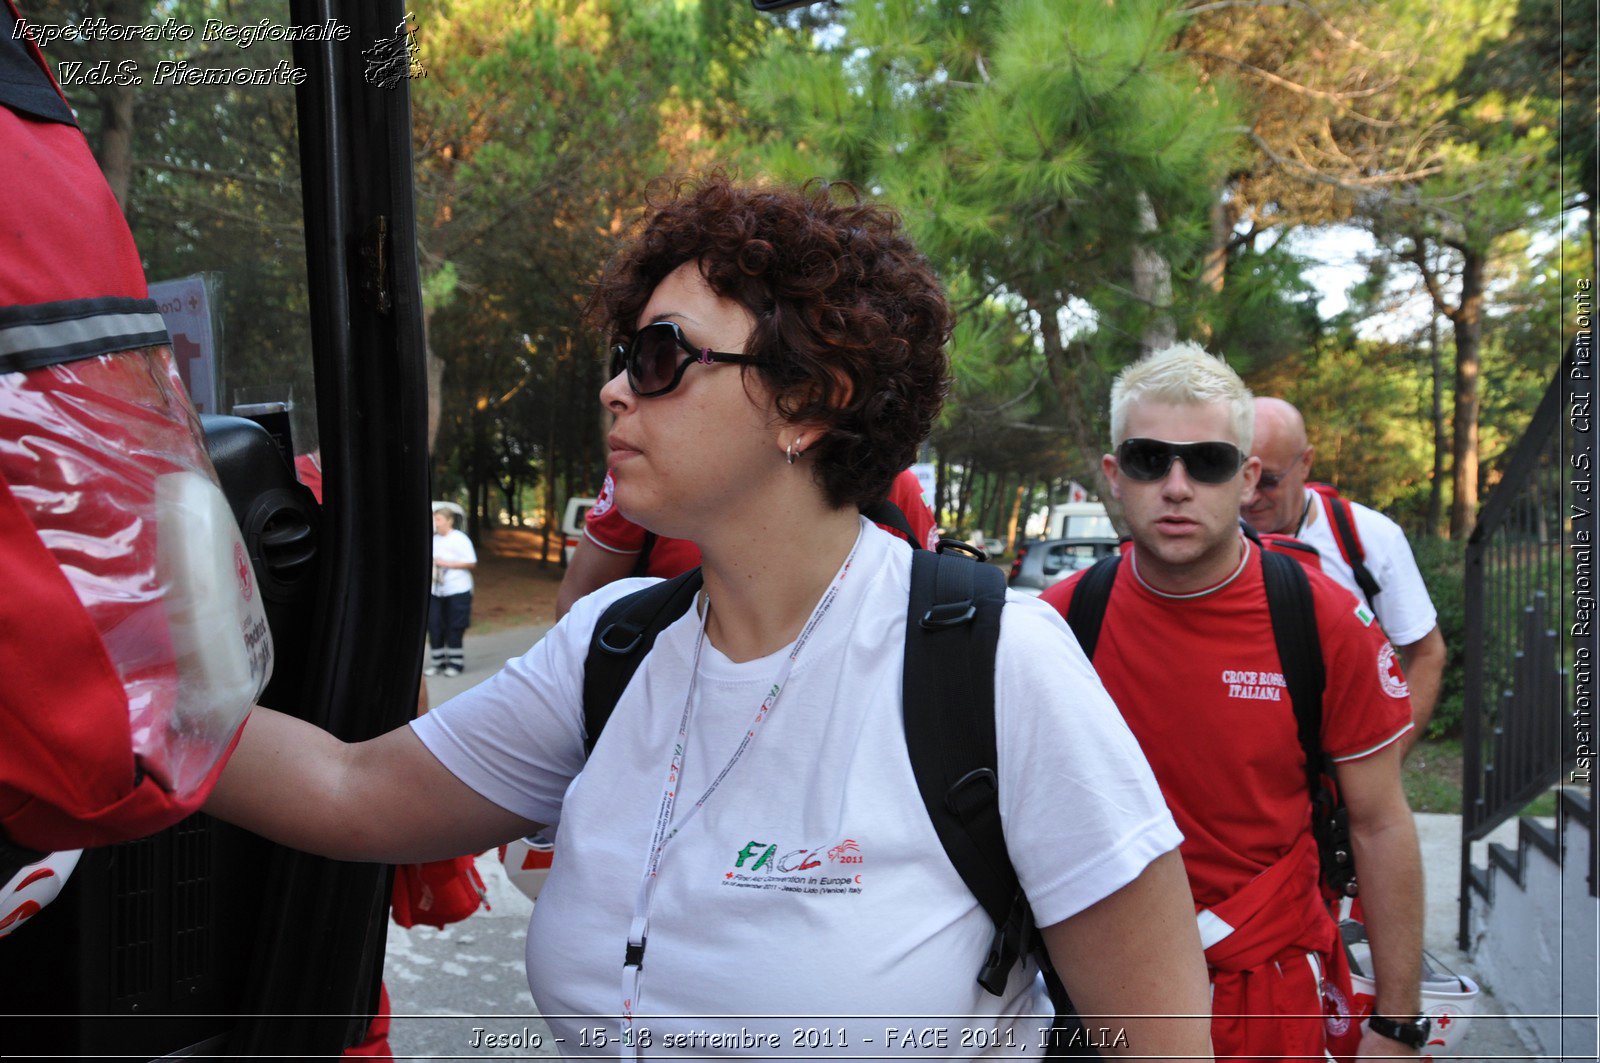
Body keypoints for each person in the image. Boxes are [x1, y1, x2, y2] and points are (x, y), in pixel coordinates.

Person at [205, 174, 1212, 1058]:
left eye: (659, 356)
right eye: (620, 354)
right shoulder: (614, 645)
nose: (611, 390)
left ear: (805, 403)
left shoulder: (996, 662)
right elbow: (350, 788)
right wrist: (98, 694)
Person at [1041, 344, 1427, 1063]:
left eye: (1208, 462)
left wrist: (1397, 1023)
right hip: (1103, 999)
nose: (1178, 486)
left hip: (1268, 1000)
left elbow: (1380, 823)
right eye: (1150, 459)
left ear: (1248, 478)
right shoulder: (1060, 622)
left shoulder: (1321, 619)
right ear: (1114, 475)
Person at [1243, 397, 1447, 754]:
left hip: (1344, 761)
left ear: (1305, 463)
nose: (1250, 497)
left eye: (1269, 480)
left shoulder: (1370, 538)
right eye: (1240, 476)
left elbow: (1427, 651)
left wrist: (1387, 761)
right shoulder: (1211, 534)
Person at [556, 465, 938, 617]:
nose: (616, 390)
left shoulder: (893, 484)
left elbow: (921, 621)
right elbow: (578, 601)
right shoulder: (647, 472)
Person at [427, 502, 476, 677]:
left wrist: (445, 563)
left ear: (449, 521)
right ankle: (437, 663)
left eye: (438, 519)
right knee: (434, 625)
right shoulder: (433, 539)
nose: (435, 522)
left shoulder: (460, 539)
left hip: (457, 590)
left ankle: (455, 664)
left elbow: (471, 563)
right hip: (436, 590)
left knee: (454, 626)